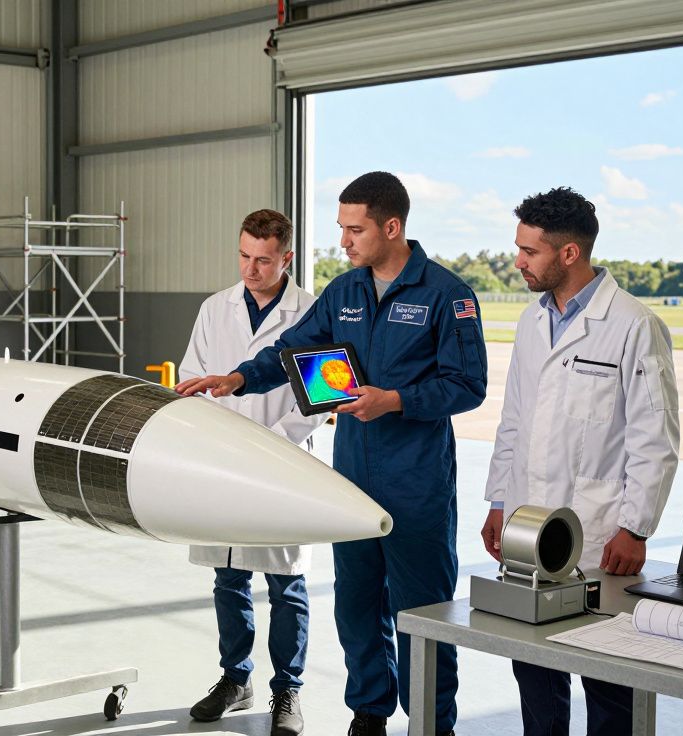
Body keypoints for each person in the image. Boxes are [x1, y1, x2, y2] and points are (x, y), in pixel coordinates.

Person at [177, 172, 487, 736]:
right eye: (341, 228)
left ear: (391, 228)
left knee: (420, 613)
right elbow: (292, 351)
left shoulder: (447, 295)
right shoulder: (344, 293)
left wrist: (394, 400)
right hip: (352, 478)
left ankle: (431, 723)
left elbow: (468, 386)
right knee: (356, 605)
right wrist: (239, 377)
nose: (343, 240)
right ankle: (369, 714)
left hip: (416, 481)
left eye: (354, 229)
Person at [481, 187, 680, 736]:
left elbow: (655, 438)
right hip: (528, 529)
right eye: (518, 248)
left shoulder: (634, 326)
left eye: (530, 251)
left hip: (598, 533)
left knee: (610, 682)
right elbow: (514, 419)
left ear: (570, 254)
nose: (517, 261)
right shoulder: (530, 320)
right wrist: (500, 502)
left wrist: (636, 528)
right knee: (536, 672)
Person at [180, 209, 324, 736]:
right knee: (229, 576)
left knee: (286, 583)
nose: (251, 269)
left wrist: (274, 444)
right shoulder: (214, 309)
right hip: (222, 465)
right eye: (244, 256)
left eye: (263, 260)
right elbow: (192, 376)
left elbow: (321, 398)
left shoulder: (312, 311)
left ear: (286, 257)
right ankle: (234, 678)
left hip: (284, 464)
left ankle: (287, 690)